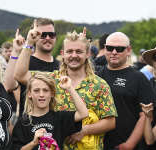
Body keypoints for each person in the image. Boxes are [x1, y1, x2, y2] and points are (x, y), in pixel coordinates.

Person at [14, 20, 117, 150]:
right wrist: (29, 43)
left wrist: (84, 130)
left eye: (79, 51)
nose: (74, 55)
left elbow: (110, 122)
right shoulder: (51, 79)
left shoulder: (99, 85)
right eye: (69, 51)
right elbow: (20, 75)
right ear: (63, 54)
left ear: (87, 54)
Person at [96, 32, 156, 150]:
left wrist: (130, 144)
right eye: (109, 48)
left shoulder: (139, 78)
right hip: (98, 144)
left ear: (128, 50)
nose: (114, 52)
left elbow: (145, 115)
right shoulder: (97, 75)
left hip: (125, 144)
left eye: (119, 49)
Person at [12, 72, 88, 150]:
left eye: (45, 90)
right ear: (29, 94)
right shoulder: (23, 123)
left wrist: (69, 88)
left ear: (52, 93)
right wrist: (33, 143)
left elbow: (83, 113)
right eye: (36, 90)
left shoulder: (59, 118)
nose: (41, 94)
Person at [6, 18, 60, 119]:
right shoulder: (25, 62)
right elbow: (9, 85)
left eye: (51, 35)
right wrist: (17, 51)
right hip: (27, 127)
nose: (48, 38)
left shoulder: (61, 65)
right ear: (34, 36)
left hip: (55, 127)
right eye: (43, 35)